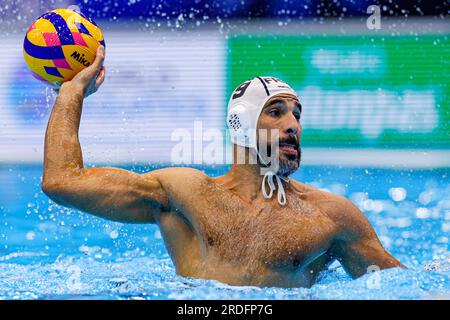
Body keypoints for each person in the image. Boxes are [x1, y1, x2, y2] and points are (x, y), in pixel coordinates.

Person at [42, 46, 405, 288]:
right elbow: (61, 181)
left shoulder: (331, 216)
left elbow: (400, 288)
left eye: (297, 114)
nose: (293, 124)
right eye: (276, 113)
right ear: (239, 125)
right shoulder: (184, 193)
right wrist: (71, 94)